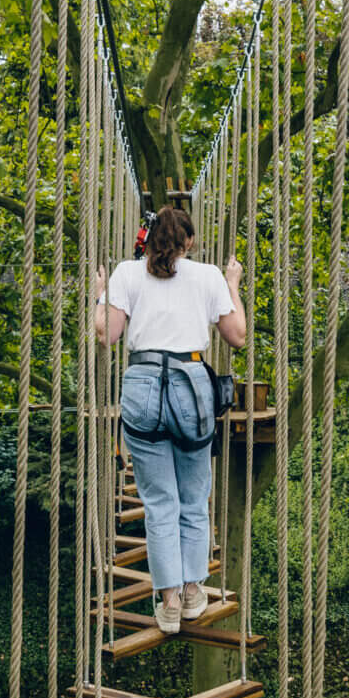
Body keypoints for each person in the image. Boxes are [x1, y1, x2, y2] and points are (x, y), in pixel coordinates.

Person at [93, 204, 245, 635]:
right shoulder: (208, 275)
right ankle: (195, 591)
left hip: (142, 384)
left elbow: (107, 335)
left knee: (160, 504)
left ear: (150, 237)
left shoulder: (127, 272)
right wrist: (233, 285)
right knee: (193, 499)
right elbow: (237, 336)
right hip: (191, 388)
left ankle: (170, 603)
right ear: (190, 242)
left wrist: (100, 294)